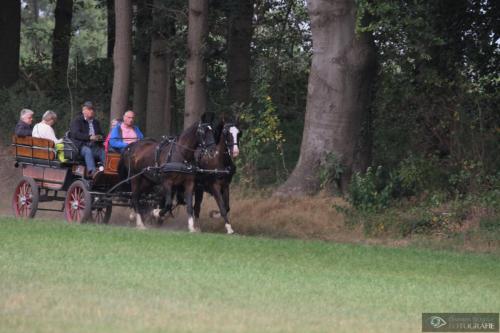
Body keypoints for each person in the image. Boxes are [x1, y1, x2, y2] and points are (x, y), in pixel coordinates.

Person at [69, 101, 105, 177]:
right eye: (89, 109)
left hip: (94, 146)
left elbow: (101, 134)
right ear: (84, 110)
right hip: (80, 146)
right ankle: (93, 172)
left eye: (92, 109)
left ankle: (107, 170)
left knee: (102, 151)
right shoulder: (77, 121)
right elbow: (75, 134)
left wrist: (100, 137)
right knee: (87, 151)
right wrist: (89, 137)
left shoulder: (96, 122)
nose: (92, 111)